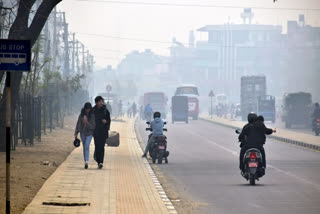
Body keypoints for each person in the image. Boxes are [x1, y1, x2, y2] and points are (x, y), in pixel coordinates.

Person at [74, 102, 96, 169]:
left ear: (90, 109)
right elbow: (78, 124)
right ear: (84, 109)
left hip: (89, 133)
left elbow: (93, 126)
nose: (87, 110)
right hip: (82, 132)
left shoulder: (92, 116)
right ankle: (85, 161)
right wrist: (76, 132)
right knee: (84, 146)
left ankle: (87, 161)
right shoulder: (81, 115)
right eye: (86, 109)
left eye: (88, 109)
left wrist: (87, 123)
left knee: (87, 145)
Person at [93, 96, 111, 169]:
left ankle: (101, 162)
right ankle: (97, 159)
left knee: (102, 146)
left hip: (103, 131)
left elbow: (109, 120)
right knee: (97, 146)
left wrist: (106, 122)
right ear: (96, 102)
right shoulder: (93, 110)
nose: (101, 103)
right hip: (96, 131)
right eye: (100, 101)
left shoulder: (105, 111)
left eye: (102, 101)